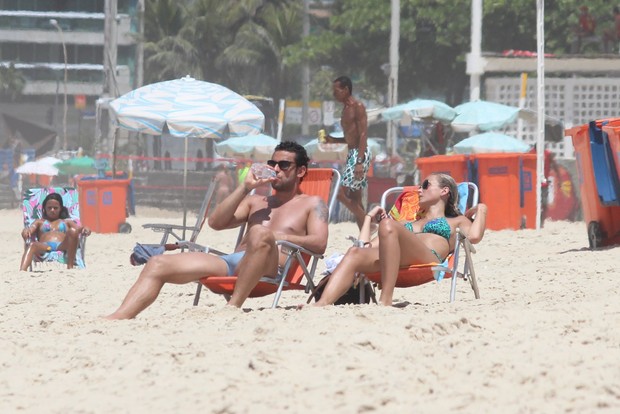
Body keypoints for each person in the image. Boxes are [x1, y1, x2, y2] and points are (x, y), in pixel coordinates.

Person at [106, 141, 329, 319]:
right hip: (233, 263)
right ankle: (119, 316)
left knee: (259, 233)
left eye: (284, 165)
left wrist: (278, 236)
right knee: (157, 263)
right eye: (273, 163)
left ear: (300, 171)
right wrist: (244, 188)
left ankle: (233, 307)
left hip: (271, 268)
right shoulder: (257, 201)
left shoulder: (312, 203)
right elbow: (216, 223)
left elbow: (319, 244)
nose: (276, 169)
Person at [311, 173, 487, 307]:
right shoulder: (405, 224)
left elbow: (474, 237)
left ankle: (385, 299)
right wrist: (367, 218)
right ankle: (321, 305)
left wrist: (481, 209)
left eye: (426, 185)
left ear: (444, 191)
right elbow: (364, 246)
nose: (419, 190)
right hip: (394, 261)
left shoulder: (456, 221)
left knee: (388, 225)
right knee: (354, 252)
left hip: (428, 260)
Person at [328, 75, 369, 229]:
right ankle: (365, 235)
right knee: (356, 200)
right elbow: (352, 138)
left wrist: (359, 162)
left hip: (359, 154)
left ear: (346, 89)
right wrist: (334, 140)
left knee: (340, 194)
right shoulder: (345, 109)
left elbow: (363, 134)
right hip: (352, 152)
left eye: (336, 91)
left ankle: (370, 225)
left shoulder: (357, 106)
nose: (334, 95)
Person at [20, 193, 91, 271]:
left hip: (62, 245)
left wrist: (85, 228)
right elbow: (30, 229)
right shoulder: (39, 222)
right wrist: (26, 231)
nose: (52, 210)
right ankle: (22, 270)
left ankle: (70, 266)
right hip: (45, 246)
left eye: (55, 208)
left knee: (73, 231)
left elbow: (78, 229)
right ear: (44, 208)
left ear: (60, 208)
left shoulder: (66, 222)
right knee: (32, 245)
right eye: (49, 208)